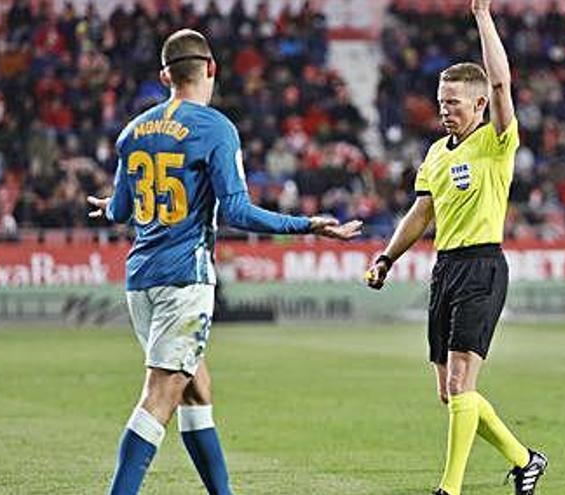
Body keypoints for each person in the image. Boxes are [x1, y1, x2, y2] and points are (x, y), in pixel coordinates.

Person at [86, 29, 362, 495]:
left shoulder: (132, 132)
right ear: (211, 68)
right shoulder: (215, 128)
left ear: (164, 75)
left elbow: (119, 210)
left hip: (141, 282)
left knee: (197, 389)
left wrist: (107, 207)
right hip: (184, 281)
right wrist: (307, 224)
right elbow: (235, 211)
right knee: (159, 398)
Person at [364, 2, 547, 494]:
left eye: (455, 103)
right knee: (450, 393)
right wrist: (386, 256)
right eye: (442, 102)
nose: (445, 110)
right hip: (446, 268)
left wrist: (482, 16)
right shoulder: (434, 154)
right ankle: (525, 459)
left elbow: (504, 83)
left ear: (479, 106)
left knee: (463, 381)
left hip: (482, 265)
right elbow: (422, 213)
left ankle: (450, 489)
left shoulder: (495, 142)